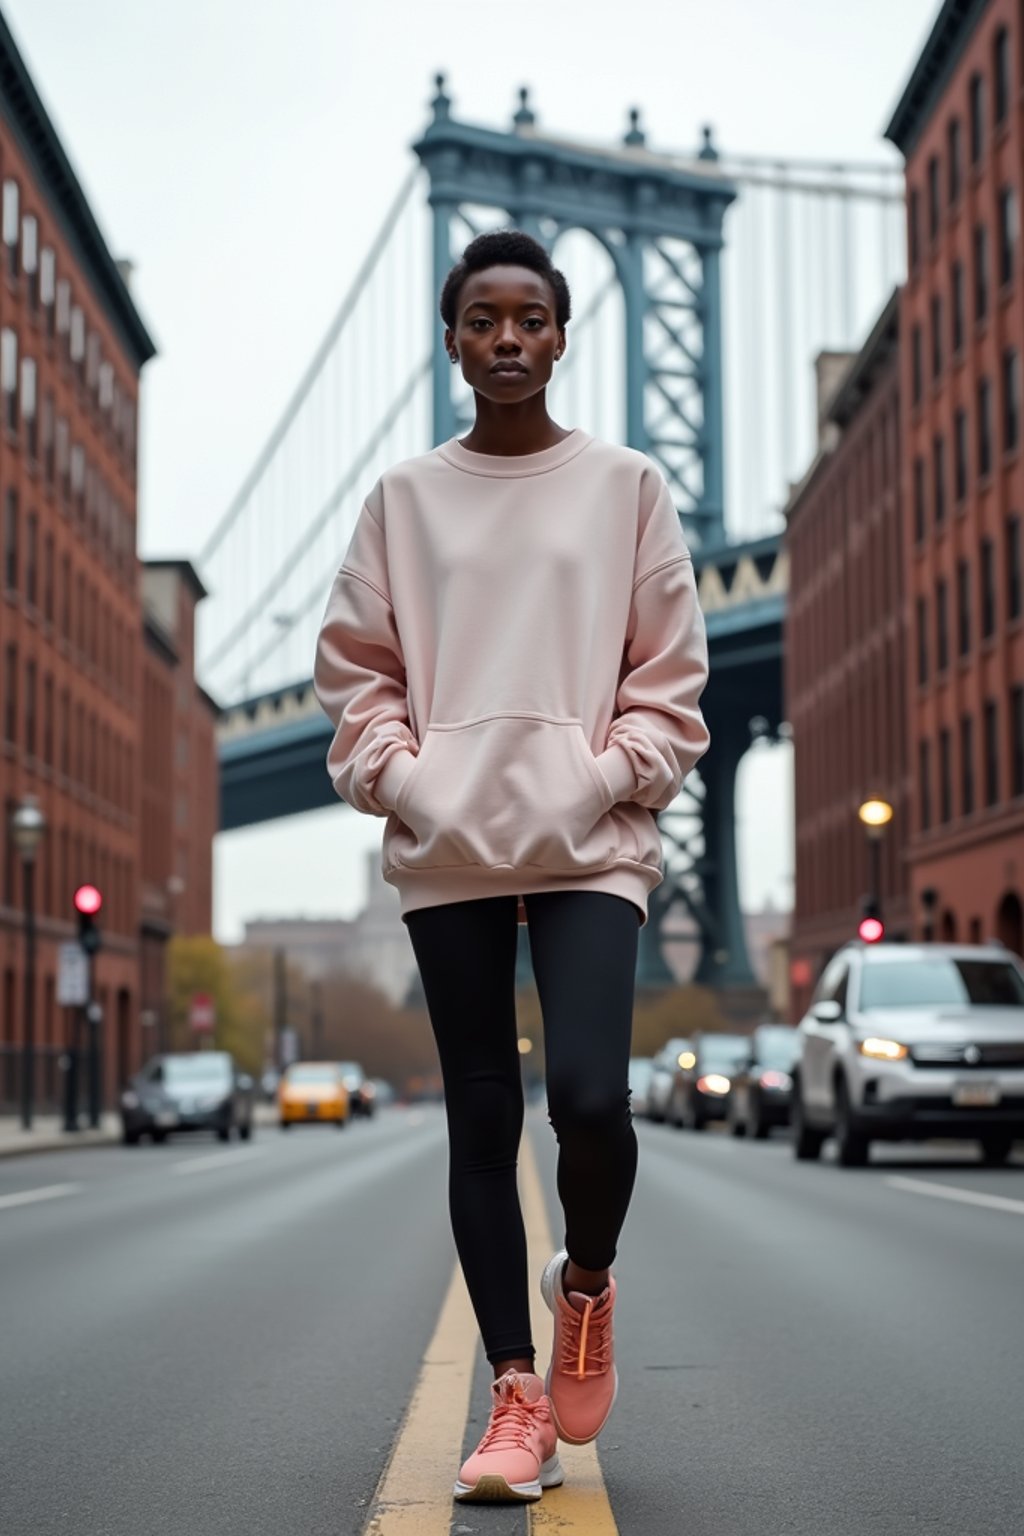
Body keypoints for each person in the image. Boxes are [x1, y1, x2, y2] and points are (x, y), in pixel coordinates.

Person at [313, 229, 710, 1503]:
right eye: (481, 319)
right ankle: (516, 1397)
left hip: (592, 840)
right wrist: (417, 784)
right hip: (450, 854)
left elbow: (670, 681)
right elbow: (355, 681)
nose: (505, 339)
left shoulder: (626, 487)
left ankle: (583, 1280)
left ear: (559, 335)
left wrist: (597, 777)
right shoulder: (403, 502)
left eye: (529, 319)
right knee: (483, 1116)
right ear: (451, 339)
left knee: (590, 1098)